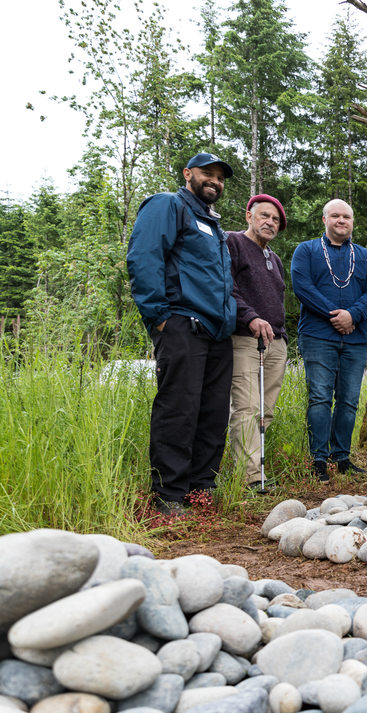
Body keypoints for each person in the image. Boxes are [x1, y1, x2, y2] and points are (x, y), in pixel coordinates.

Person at [127, 152, 237, 514]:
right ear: (188, 174)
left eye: (220, 177)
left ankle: (200, 489)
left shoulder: (213, 224)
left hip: (218, 332)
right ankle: (169, 494)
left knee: (213, 413)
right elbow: (144, 257)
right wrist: (158, 316)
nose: (214, 182)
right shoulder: (167, 205)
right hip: (181, 323)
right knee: (179, 409)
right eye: (207, 173)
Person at [291, 199, 367, 483]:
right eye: (335, 216)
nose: (341, 220)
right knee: (319, 397)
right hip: (318, 336)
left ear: (353, 222)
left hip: (355, 340)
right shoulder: (306, 250)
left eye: (346, 217)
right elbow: (302, 286)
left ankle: (341, 456)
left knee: (349, 400)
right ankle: (318, 457)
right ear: (324, 220)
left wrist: (352, 316)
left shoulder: (365, 257)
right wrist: (335, 315)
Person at [227, 194, 288, 492]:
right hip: (245, 339)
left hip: (276, 342)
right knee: (247, 407)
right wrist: (250, 317)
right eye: (264, 215)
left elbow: (277, 300)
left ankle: (254, 469)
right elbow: (227, 287)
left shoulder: (274, 259)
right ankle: (249, 477)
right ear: (249, 215)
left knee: (266, 412)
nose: (269, 222)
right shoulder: (233, 243)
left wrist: (282, 335)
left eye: (275, 220)